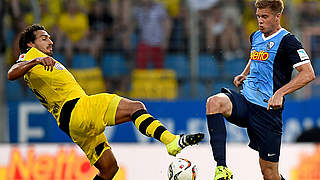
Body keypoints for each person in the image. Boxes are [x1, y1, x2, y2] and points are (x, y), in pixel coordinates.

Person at [7, 24, 204, 180]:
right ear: (31, 44)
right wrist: (34, 61)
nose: (50, 41)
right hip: (78, 108)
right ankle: (171, 141)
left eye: (49, 37)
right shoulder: (31, 56)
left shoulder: (41, 60)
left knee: (109, 169)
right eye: (44, 38)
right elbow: (11, 73)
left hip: (71, 124)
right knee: (136, 107)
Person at [205, 0, 315, 180]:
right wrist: (244, 73)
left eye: (265, 16)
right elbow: (256, 56)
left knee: (269, 174)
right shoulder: (256, 36)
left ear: (278, 16)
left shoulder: (289, 42)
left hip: (267, 112)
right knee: (214, 102)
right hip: (247, 101)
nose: (260, 21)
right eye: (258, 16)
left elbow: (308, 74)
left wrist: (280, 93)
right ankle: (221, 168)